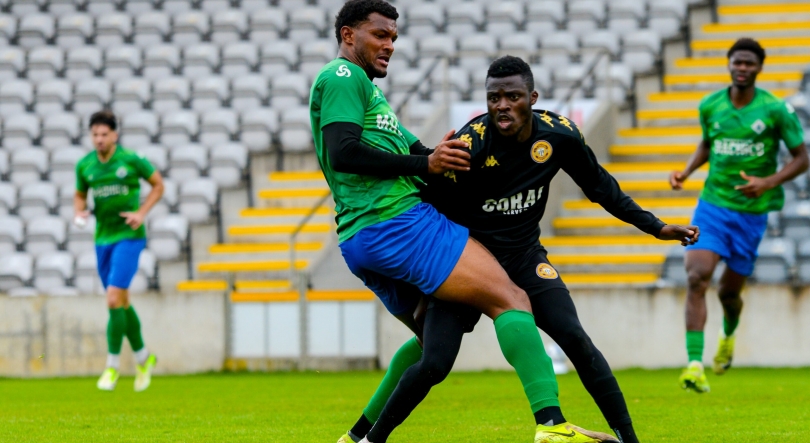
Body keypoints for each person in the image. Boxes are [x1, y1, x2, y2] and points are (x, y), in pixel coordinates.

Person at [337, 56, 700, 443]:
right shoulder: (470, 144)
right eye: (494, 98)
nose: (502, 105)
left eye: (512, 96)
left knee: (576, 339)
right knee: (434, 361)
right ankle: (368, 438)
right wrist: (430, 281)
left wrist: (657, 227)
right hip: (467, 260)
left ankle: (628, 438)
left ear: (533, 97)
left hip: (525, 258)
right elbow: (430, 200)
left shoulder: (559, 136)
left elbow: (601, 188)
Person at [312, 1, 617, 441]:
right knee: (512, 299)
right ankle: (552, 426)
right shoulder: (343, 76)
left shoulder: (367, 91)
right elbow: (344, 152)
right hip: (397, 222)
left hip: (360, 237)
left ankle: (358, 437)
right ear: (347, 35)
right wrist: (427, 165)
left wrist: (438, 157)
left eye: (394, 37)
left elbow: (414, 152)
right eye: (379, 34)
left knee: (428, 347)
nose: (389, 45)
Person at [669, 38, 808, 393]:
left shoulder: (775, 110)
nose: (742, 68)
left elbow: (802, 157)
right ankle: (695, 365)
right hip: (712, 205)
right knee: (697, 276)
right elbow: (707, 143)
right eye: (737, 62)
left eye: (749, 63)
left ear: (759, 67)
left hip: (751, 215)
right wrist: (686, 172)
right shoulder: (711, 105)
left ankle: (728, 332)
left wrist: (768, 181)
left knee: (729, 294)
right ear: (729, 64)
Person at [74, 110, 164, 392]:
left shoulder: (131, 159)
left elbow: (158, 185)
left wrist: (141, 212)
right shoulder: (85, 165)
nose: (99, 140)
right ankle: (144, 358)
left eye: (104, 134)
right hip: (103, 239)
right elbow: (79, 194)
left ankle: (111, 367)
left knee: (112, 298)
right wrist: (79, 213)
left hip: (129, 236)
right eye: (95, 135)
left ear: (115, 135)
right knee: (121, 301)